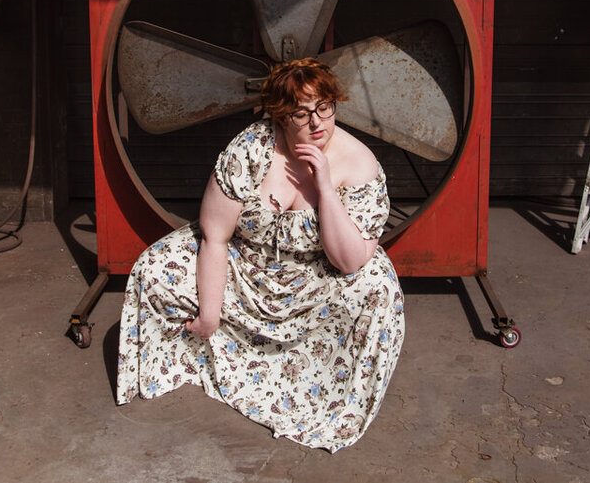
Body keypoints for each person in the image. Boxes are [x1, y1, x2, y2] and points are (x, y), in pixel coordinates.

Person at [115, 58, 405, 452]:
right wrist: (210, 315)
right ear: (280, 118)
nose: (317, 123)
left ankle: (318, 391)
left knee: (376, 290)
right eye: (302, 114)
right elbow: (216, 237)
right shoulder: (251, 149)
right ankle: (198, 355)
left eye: (325, 108)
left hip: (315, 279)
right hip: (244, 266)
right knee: (157, 266)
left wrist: (323, 187)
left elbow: (350, 261)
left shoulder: (358, 163)